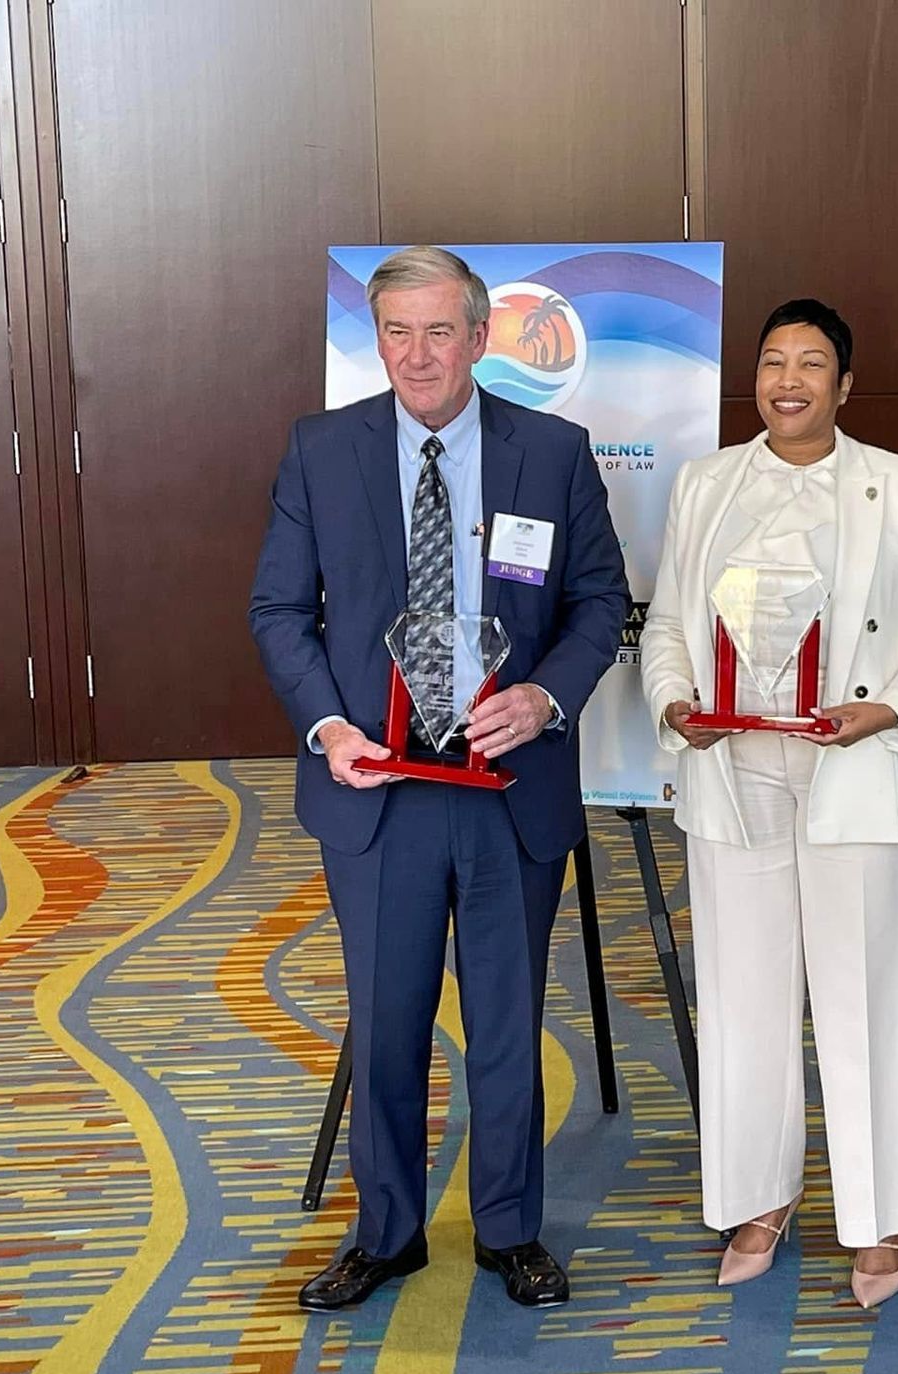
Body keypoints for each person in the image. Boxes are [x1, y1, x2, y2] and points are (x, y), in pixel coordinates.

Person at [250, 245, 629, 1311]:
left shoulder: (550, 453)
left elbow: (600, 602)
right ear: (377, 339)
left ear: (478, 336)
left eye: (438, 331)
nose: (416, 355)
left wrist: (546, 696)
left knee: (506, 1018)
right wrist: (327, 725)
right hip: (379, 789)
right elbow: (279, 611)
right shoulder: (321, 451)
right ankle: (388, 1233)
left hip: (507, 786)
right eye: (395, 332)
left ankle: (510, 1230)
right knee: (387, 1020)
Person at [641, 299, 898, 1308]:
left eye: (812, 363)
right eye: (773, 362)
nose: (789, 380)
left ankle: (877, 1222)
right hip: (734, 770)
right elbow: (665, 627)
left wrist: (889, 712)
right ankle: (757, 1196)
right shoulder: (705, 485)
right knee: (743, 993)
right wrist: (674, 706)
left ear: (845, 384)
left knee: (865, 996)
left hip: (854, 770)